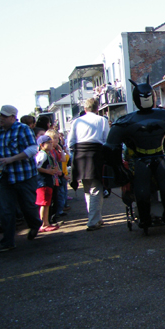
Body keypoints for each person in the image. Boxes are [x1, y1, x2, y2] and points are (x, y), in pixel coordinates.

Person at [105, 77, 165, 233]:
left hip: (157, 156)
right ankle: (145, 218)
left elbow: (111, 145)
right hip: (144, 158)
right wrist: (118, 168)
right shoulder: (129, 120)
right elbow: (111, 146)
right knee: (142, 191)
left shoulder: (163, 115)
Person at [0, 105, 43, 251]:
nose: (2, 119)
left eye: (5, 116)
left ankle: (35, 223)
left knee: (28, 206)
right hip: (4, 177)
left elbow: (32, 149)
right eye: (1, 116)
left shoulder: (23, 129)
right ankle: (8, 241)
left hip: (24, 176)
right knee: (6, 209)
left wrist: (12, 159)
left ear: (13, 117)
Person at [69, 98, 109, 231]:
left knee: (87, 189)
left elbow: (71, 142)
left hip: (80, 155)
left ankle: (96, 218)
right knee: (96, 189)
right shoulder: (102, 120)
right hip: (95, 155)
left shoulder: (76, 121)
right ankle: (93, 221)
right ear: (97, 108)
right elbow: (106, 140)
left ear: (85, 109)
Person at [34, 134, 61, 232]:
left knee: (47, 203)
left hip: (48, 181)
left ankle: (46, 222)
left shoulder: (48, 154)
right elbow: (37, 167)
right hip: (43, 182)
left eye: (51, 142)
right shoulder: (42, 154)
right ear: (41, 145)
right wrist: (48, 171)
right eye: (48, 143)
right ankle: (43, 223)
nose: (50, 144)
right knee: (44, 203)